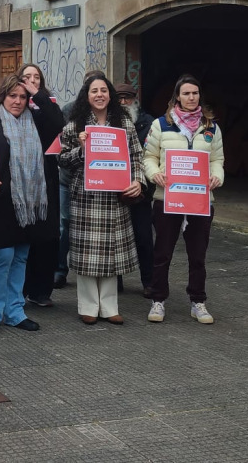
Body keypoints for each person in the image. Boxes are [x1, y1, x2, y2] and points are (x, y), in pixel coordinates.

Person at [0, 73, 64, 333]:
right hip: (2, 200)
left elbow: (58, 123)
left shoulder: (36, 120)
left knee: (21, 256)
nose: (18, 101)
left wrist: (38, 94)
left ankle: (14, 311)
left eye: (23, 97)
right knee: (4, 256)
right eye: (13, 95)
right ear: (3, 95)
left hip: (31, 201)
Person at [58, 75, 146, 324]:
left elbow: (137, 156)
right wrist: (81, 150)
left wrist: (138, 181)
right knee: (87, 254)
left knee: (110, 252)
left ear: (110, 95)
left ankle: (109, 307)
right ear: (86, 96)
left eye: (104, 90)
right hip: (86, 197)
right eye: (94, 90)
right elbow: (62, 160)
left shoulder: (125, 123)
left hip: (115, 199)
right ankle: (87, 306)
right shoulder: (75, 126)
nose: (99, 94)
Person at [142, 74, 225, 325]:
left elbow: (217, 160)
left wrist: (217, 176)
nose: (191, 97)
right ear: (177, 96)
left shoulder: (211, 127)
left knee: (197, 254)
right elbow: (148, 157)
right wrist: (154, 173)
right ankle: (158, 300)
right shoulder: (161, 125)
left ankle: (198, 301)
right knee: (162, 253)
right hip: (167, 198)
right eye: (186, 93)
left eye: (195, 93)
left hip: (200, 201)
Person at [54, 69, 106, 290]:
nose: (95, 93)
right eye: (90, 88)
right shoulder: (69, 111)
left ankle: (108, 275)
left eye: (101, 89)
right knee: (65, 225)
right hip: (70, 180)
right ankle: (59, 269)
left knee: (100, 227)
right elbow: (61, 148)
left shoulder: (114, 117)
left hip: (103, 180)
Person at [16, 63, 60, 307]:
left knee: (48, 236)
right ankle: (19, 290)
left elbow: (58, 123)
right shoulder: (15, 109)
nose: (32, 81)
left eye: (36, 78)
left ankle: (41, 290)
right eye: (26, 77)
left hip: (46, 180)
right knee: (24, 237)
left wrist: (39, 97)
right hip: (22, 181)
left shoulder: (46, 107)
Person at [116, 82, 155, 294]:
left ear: (135, 100)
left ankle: (149, 281)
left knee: (144, 238)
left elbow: (150, 156)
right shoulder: (109, 122)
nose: (123, 103)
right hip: (114, 191)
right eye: (119, 99)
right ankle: (116, 281)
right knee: (116, 239)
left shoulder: (149, 123)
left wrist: (143, 185)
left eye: (127, 99)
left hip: (141, 191)